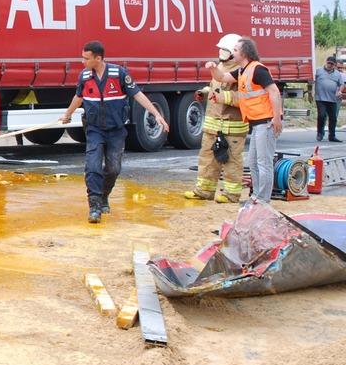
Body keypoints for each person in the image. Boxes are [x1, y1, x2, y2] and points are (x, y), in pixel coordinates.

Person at [59, 40, 170, 224]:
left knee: (113, 168)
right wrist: (68, 115)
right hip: (94, 129)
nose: (82, 62)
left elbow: (138, 95)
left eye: (86, 58)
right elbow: (78, 97)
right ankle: (94, 206)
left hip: (116, 130)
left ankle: (103, 196)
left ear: (98, 58)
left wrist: (156, 114)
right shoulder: (85, 76)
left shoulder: (119, 74)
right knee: (93, 167)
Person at [208, 38, 282, 201]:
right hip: (256, 123)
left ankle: (263, 200)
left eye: (235, 49)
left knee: (263, 163)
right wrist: (213, 68)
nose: (232, 52)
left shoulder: (257, 70)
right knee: (254, 163)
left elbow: (274, 92)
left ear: (244, 53)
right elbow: (222, 77)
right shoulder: (242, 71)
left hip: (266, 122)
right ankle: (256, 197)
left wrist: (276, 118)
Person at [184, 33, 247, 203]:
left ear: (233, 52)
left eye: (224, 49)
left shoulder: (241, 71)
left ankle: (231, 194)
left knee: (232, 162)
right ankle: (204, 190)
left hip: (232, 126)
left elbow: (245, 97)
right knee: (207, 158)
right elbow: (215, 87)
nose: (220, 52)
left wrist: (223, 97)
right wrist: (204, 93)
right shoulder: (220, 67)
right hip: (213, 124)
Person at [314, 54, 343, 142]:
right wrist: (312, 91)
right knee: (321, 115)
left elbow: (341, 84)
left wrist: (340, 91)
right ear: (326, 62)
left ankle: (332, 136)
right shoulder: (318, 71)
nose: (330, 65)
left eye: (332, 64)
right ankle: (320, 133)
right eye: (329, 63)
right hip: (320, 98)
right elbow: (312, 81)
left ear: (334, 65)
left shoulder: (337, 74)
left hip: (332, 99)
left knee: (333, 118)